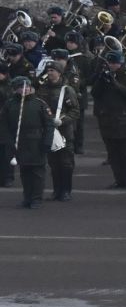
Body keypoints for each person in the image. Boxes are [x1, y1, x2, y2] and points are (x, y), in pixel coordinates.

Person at [90, 48, 126, 189]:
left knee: (125, 153)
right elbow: (95, 93)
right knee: (113, 154)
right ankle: (118, 179)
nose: (112, 65)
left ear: (120, 63)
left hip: (124, 120)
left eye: (115, 63)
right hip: (107, 119)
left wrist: (116, 84)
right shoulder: (105, 76)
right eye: (110, 63)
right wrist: (101, 79)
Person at [36, 58, 78, 202]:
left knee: (66, 163)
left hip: (65, 131)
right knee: (53, 163)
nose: (50, 73)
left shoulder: (67, 90)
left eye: (52, 70)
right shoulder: (42, 89)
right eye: (48, 71)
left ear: (59, 73)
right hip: (49, 131)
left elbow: (75, 111)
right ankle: (56, 191)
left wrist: (62, 120)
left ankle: (66, 191)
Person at [7, 76, 53, 207]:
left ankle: (36, 198)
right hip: (19, 142)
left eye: (27, 86)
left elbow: (49, 125)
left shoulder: (40, 104)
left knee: (37, 172)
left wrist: (47, 142)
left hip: (37, 142)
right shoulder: (10, 104)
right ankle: (27, 197)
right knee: (24, 171)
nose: (25, 89)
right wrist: (8, 141)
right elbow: (4, 124)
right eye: (21, 87)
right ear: (16, 89)